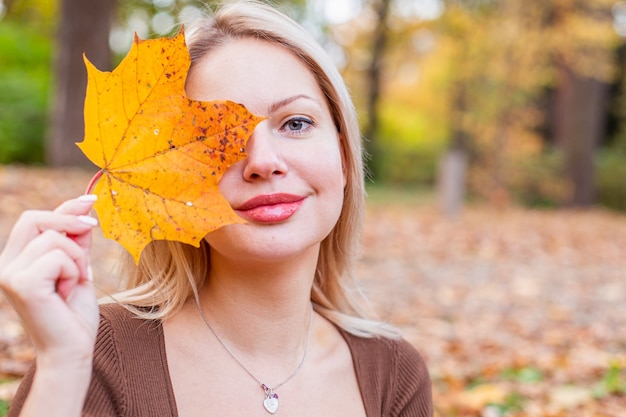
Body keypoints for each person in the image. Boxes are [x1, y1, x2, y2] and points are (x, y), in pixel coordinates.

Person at [0, 1, 433, 416]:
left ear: (342, 158)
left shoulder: (395, 376)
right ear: (167, 176)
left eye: (296, 123)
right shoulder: (94, 354)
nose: (263, 162)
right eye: (216, 138)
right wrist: (63, 367)